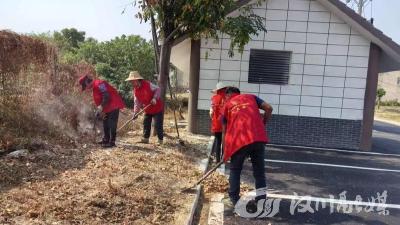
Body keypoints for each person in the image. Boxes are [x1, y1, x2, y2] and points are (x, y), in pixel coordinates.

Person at [221, 87, 273, 211]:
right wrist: (263, 123)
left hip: (239, 141)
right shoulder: (251, 97)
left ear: (228, 96)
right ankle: (261, 201)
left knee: (235, 170)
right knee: (259, 173)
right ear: (238, 94)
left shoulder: (227, 105)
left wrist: (225, 152)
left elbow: (224, 132)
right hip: (258, 138)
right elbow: (269, 108)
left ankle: (234, 199)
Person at [79, 74, 125, 148]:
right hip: (106, 108)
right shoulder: (94, 88)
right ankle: (106, 139)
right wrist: (99, 110)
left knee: (112, 123)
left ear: (87, 82)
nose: (86, 88)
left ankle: (112, 142)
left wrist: (101, 106)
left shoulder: (100, 84)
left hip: (114, 105)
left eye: (85, 86)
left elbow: (106, 96)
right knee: (105, 123)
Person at [125, 71, 164, 145]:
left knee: (158, 124)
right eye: (131, 82)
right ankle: (145, 139)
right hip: (147, 109)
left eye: (133, 82)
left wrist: (155, 98)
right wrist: (135, 113)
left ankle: (160, 140)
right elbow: (137, 102)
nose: (132, 83)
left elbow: (158, 89)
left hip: (156, 107)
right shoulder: (135, 90)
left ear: (137, 80)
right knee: (146, 123)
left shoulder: (148, 84)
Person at [210, 82, 229, 162]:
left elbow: (210, 113)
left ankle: (217, 159)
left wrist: (214, 119)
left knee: (218, 141)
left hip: (217, 124)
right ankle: (224, 158)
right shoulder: (228, 98)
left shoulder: (214, 98)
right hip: (227, 124)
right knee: (226, 141)